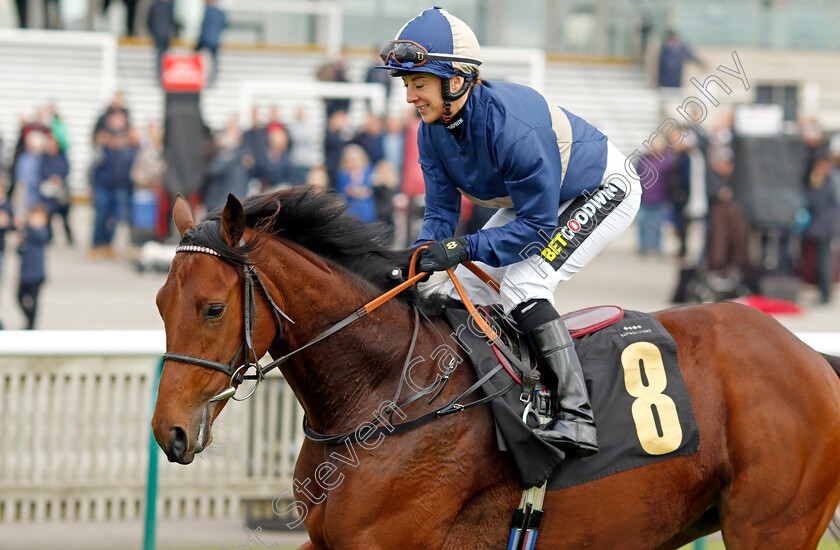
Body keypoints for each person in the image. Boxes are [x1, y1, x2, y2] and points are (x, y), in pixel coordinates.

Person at [377, 7, 642, 456]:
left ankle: (576, 415)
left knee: (525, 282)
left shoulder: (512, 129)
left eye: (418, 84)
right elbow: (442, 214)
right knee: (473, 292)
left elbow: (536, 228)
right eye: (406, 86)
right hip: (542, 198)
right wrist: (421, 259)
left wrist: (460, 248)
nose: (409, 98)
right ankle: (511, 398)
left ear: (456, 80)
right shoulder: (431, 130)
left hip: (603, 186)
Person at [17, 203, 51, 330]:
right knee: (19, 297)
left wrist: (25, 226)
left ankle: (32, 325)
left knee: (34, 300)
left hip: (36, 274)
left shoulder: (41, 232)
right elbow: (20, 252)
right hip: (25, 272)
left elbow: (42, 237)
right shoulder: (27, 234)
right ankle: (29, 320)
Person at [195, 0, 227, 85]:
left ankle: (207, 79)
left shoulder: (207, 11)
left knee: (206, 60)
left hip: (206, 40)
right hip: (215, 40)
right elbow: (224, 25)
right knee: (213, 60)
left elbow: (204, 28)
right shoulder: (220, 13)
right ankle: (213, 79)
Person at [147, 0, 177, 82]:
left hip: (166, 36)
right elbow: (150, 20)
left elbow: (172, 20)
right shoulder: (155, 6)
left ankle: (165, 74)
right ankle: (159, 75)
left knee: (166, 56)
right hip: (159, 36)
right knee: (160, 56)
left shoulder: (170, 6)